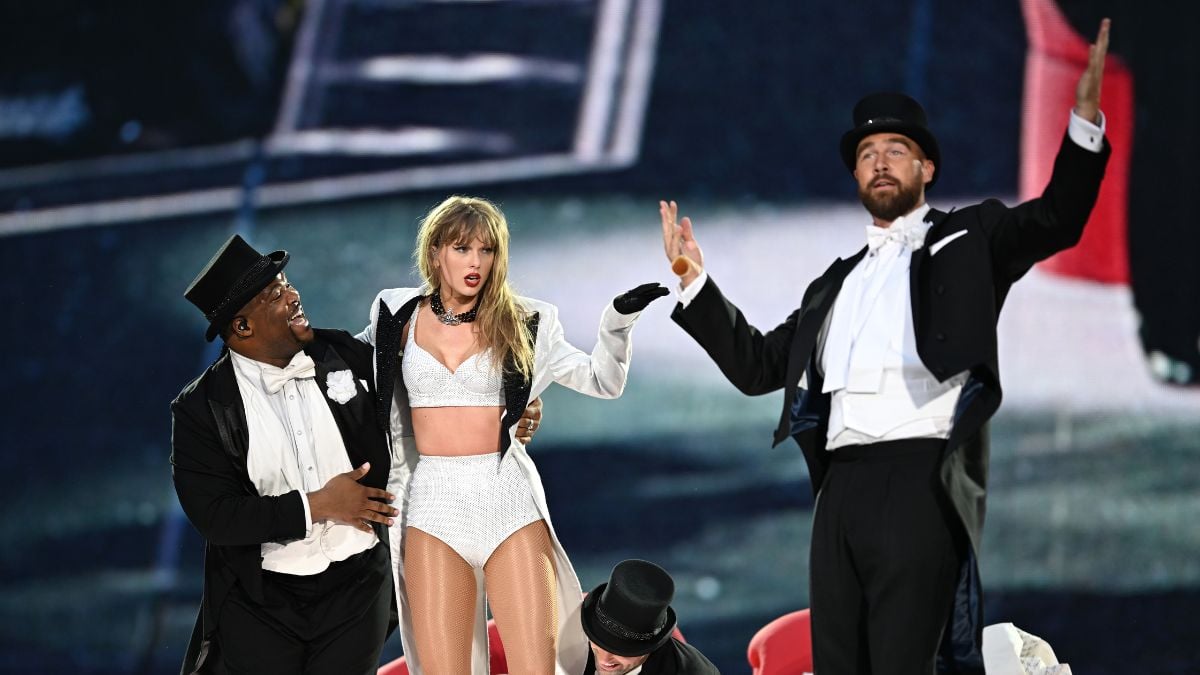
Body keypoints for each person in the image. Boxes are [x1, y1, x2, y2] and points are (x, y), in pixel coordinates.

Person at [658, 20, 1112, 675]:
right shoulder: (831, 286)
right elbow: (758, 365)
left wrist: (1084, 126)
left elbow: (1058, 218)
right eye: (868, 151)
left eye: (896, 148)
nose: (880, 161)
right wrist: (695, 286)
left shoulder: (971, 238)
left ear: (927, 167)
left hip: (920, 479)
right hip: (838, 492)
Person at [358, 195, 668, 675]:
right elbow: (351, 373)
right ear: (436, 251)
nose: (476, 262)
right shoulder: (395, 315)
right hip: (432, 504)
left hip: (506, 500)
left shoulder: (527, 320)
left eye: (488, 251)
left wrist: (616, 323)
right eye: (463, 249)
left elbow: (602, 381)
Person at [171, 234, 398, 675]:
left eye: (287, 283)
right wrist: (317, 506)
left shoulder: (343, 356)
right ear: (242, 327)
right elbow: (217, 517)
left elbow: (427, 399)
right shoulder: (201, 409)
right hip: (261, 607)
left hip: (358, 589)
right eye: (276, 294)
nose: (294, 295)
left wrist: (511, 412)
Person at [581, 559, 720, 675]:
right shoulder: (564, 626)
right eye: (597, 641)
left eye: (619, 650)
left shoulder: (690, 671)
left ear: (651, 647)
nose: (604, 659)